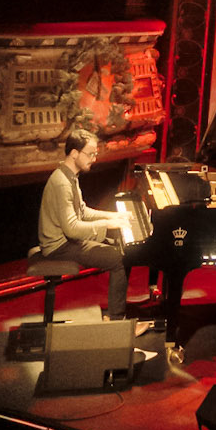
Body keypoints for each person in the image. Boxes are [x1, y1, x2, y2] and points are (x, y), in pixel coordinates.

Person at [37, 131, 153, 327]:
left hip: (65, 240)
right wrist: (108, 224)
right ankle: (117, 322)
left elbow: (82, 212)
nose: (94, 158)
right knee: (118, 259)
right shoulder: (62, 183)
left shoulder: (69, 176)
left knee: (118, 246)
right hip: (58, 246)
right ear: (74, 153)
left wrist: (113, 216)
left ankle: (116, 315)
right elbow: (72, 229)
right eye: (90, 154)